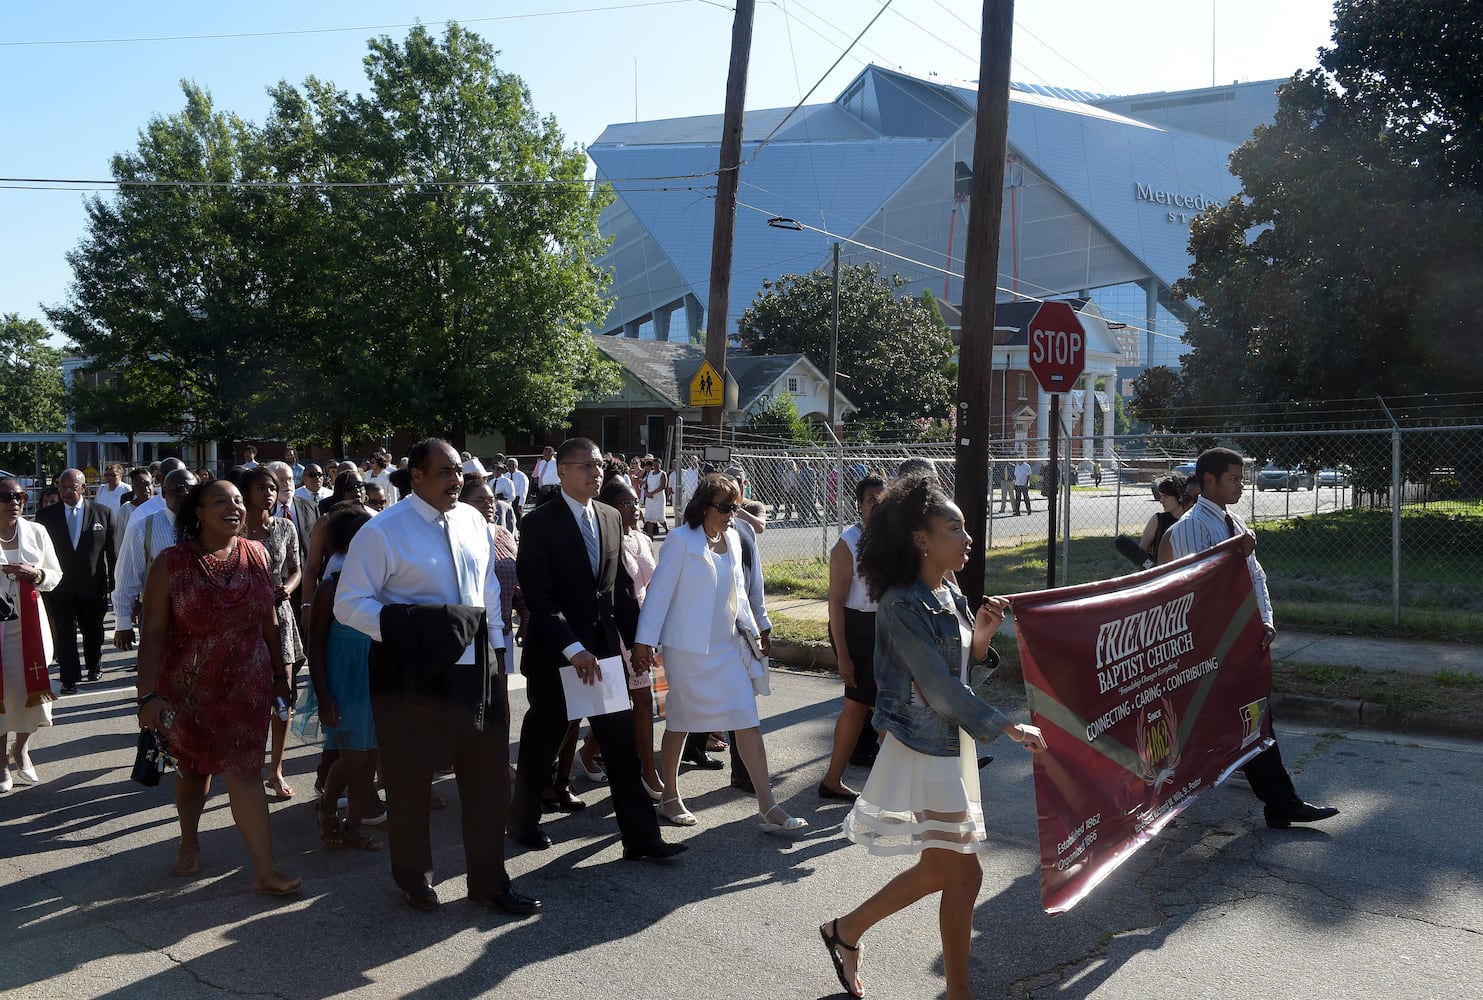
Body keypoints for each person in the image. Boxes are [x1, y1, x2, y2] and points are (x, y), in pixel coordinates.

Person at [819, 474, 1046, 1000]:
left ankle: (845, 931)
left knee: (943, 868)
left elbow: (962, 670)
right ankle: (956, 993)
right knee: (962, 873)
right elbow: (938, 687)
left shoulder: (948, 590)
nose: (968, 538)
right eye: (955, 528)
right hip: (924, 748)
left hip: (948, 744)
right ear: (922, 538)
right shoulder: (901, 602)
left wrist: (983, 638)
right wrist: (1007, 726)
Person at [335, 438, 537, 915]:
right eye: (444, 473)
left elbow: (486, 584)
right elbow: (349, 605)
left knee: (487, 779)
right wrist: (417, 627)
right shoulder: (382, 532)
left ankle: (490, 882)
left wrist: (496, 650)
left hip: (476, 667)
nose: (457, 481)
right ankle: (413, 878)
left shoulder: (473, 521)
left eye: (460, 473)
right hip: (412, 673)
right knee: (410, 781)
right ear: (416, 477)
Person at [511, 438, 684, 862]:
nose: (596, 473)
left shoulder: (609, 516)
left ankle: (641, 838)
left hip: (604, 656)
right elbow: (539, 595)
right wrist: (572, 648)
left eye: (599, 466)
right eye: (586, 466)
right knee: (541, 744)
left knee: (621, 747)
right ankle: (522, 820)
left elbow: (620, 591)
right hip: (557, 657)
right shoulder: (539, 523)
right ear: (562, 472)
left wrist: (640, 644)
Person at [1159, 447, 1340, 830]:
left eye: (1242, 478)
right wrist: (1233, 554)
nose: (1242, 485)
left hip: (1239, 642)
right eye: (1234, 479)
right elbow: (1199, 589)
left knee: (1253, 721)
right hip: (1209, 650)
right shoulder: (1192, 527)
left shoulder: (1234, 522)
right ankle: (1148, 798)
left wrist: (1266, 621)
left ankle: (1280, 802)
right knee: (1208, 725)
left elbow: (1256, 576)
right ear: (1209, 480)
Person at [135, 479, 301, 895]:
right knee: (192, 771)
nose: (235, 507)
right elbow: (153, 633)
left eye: (239, 501)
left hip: (248, 685)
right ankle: (189, 840)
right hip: (188, 688)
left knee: (246, 772)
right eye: (221, 501)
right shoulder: (170, 564)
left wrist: (281, 677)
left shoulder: (258, 554)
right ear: (198, 512)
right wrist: (147, 697)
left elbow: (270, 621)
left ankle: (265, 871)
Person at [632, 473, 806, 835]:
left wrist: (761, 624)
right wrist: (643, 642)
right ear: (704, 506)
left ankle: (767, 805)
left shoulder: (734, 539)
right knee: (680, 721)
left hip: (729, 647)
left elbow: (743, 591)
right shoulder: (680, 541)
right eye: (726, 507)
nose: (732, 514)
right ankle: (670, 797)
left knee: (747, 720)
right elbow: (659, 595)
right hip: (686, 650)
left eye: (737, 507)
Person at [307, 507, 383, 854]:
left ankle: (353, 825)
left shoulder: (387, 586)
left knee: (369, 758)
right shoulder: (331, 587)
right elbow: (316, 645)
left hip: (377, 677)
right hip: (344, 680)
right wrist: (323, 695)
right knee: (352, 756)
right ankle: (326, 808)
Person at [819, 474, 888, 801]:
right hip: (856, 633)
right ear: (859, 505)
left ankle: (832, 780)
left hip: (885, 630)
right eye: (871, 500)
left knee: (857, 709)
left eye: (882, 499)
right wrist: (843, 655)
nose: (877, 504)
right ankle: (899, 788)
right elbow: (835, 602)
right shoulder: (848, 543)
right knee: (884, 711)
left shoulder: (894, 537)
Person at [238, 466, 305, 800]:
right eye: (261, 488)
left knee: (283, 698)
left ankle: (275, 769)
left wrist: (288, 589)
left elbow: (296, 569)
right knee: (247, 700)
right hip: (242, 621)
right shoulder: (234, 530)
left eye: (273, 488)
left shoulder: (285, 527)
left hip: (280, 618)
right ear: (246, 492)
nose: (268, 494)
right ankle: (247, 765)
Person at [598, 475, 663, 797]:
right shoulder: (603, 542)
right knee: (631, 698)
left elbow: (653, 586)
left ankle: (588, 753)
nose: (634, 508)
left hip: (644, 626)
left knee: (636, 698)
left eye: (635, 501)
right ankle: (646, 770)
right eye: (625, 503)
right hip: (618, 628)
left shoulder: (642, 539)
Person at [0, 477, 63, 792]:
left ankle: (21, 749)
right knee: (2, 695)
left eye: (19, 496)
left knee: (32, 695)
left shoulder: (36, 532)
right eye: (6, 496)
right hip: (0, 631)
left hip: (31, 630)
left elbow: (55, 574)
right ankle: (0, 763)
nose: (14, 501)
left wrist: (34, 574)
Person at [35, 469, 115, 694]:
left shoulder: (103, 513)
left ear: (83, 489)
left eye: (72, 487)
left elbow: (112, 551)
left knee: (93, 630)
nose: (66, 492)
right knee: (65, 632)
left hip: (93, 584)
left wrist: (113, 578)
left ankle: (93, 663)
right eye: (63, 487)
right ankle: (69, 677)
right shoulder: (46, 516)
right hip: (60, 587)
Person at [112, 468, 196, 652]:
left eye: (191, 488)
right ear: (164, 493)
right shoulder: (143, 527)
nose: (185, 492)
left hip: (202, 618)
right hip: (160, 618)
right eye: (178, 487)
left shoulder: (208, 526)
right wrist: (123, 623)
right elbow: (127, 576)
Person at [1139, 475, 1190, 564]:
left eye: (1165, 496)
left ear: (1179, 497)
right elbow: (1140, 553)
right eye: (1161, 496)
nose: (1161, 501)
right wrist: (1151, 568)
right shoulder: (1157, 520)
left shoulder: (1191, 521)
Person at [640, 455, 668, 538]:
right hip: (650, 498)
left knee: (659, 516)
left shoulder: (663, 474)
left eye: (657, 464)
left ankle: (666, 529)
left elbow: (662, 486)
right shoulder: (650, 473)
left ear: (660, 465)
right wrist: (647, 493)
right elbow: (646, 483)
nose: (655, 466)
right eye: (654, 464)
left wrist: (652, 493)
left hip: (658, 498)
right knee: (649, 517)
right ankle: (650, 535)